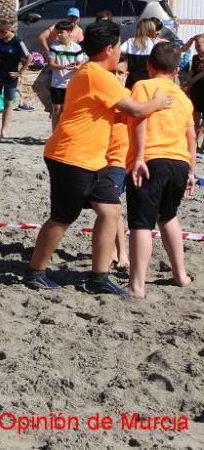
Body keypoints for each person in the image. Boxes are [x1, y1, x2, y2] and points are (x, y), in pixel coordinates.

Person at [26, 19, 174, 295]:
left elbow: (112, 110)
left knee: (111, 210)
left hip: (94, 159)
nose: (120, 50)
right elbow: (137, 110)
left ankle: (99, 276)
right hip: (70, 155)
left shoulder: (94, 73)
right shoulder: (97, 74)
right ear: (108, 49)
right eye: (118, 46)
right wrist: (159, 102)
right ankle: (36, 271)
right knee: (62, 217)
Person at [126, 43, 195, 298]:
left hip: (152, 159)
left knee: (141, 223)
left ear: (148, 65)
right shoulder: (183, 97)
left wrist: (139, 157)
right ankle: (181, 275)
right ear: (177, 70)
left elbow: (141, 120)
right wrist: (191, 170)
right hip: (179, 162)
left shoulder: (143, 86)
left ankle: (137, 285)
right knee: (168, 216)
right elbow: (191, 137)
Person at [106, 61, 130, 272]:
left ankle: (121, 253)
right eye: (113, 72)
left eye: (120, 73)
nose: (116, 76)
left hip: (121, 159)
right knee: (111, 208)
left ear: (127, 74)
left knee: (114, 207)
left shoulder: (130, 97)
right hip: (103, 158)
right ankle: (116, 251)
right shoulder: (103, 96)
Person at [47, 20, 87, 131]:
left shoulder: (76, 48)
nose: (58, 35)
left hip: (71, 84)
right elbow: (51, 64)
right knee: (56, 110)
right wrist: (64, 67)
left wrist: (76, 67)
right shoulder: (54, 47)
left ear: (69, 32)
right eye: (57, 32)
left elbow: (81, 63)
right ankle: (54, 134)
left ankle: (64, 132)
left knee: (68, 110)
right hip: (57, 84)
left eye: (61, 32)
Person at [119, 19, 159, 89]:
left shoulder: (130, 41)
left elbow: (119, 52)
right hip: (148, 80)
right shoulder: (154, 43)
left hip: (131, 80)